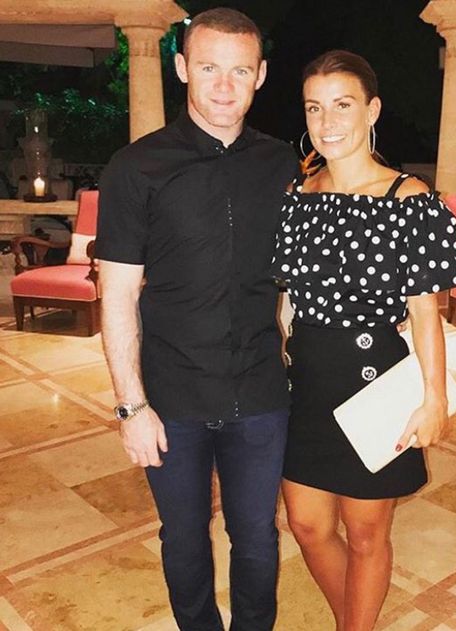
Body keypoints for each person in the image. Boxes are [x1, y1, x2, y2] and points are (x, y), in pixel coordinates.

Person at [96, 9, 298, 631]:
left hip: (260, 391)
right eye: (209, 68)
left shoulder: (283, 165)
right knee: (182, 538)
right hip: (171, 396)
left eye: (240, 70)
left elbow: (300, 277)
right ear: (182, 67)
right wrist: (131, 407)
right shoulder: (136, 167)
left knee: (257, 538)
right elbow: (117, 296)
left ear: (261, 75)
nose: (224, 86)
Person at [271, 50, 456, 631]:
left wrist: (433, 397)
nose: (327, 121)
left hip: (373, 379)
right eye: (314, 108)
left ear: (372, 110)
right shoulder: (298, 194)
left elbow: (425, 311)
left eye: (342, 105)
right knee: (307, 525)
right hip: (306, 381)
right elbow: (284, 298)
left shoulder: (408, 199)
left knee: (365, 533)